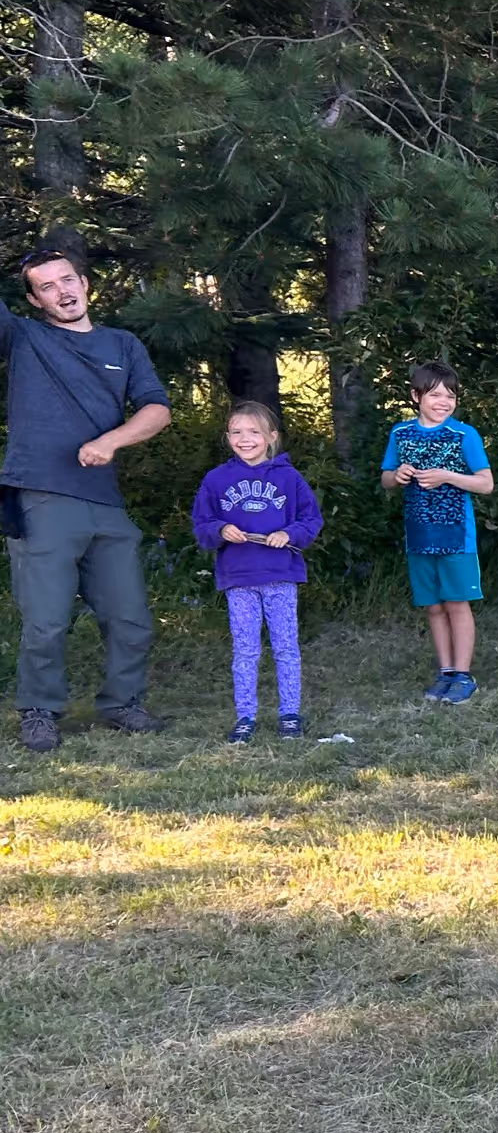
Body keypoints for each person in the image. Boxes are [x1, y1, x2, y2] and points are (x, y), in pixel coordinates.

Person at [1, 236, 172, 750]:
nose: (61, 291)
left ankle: (122, 703)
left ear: (85, 284)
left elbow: (156, 409)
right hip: (42, 495)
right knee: (47, 619)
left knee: (130, 617)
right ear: (35, 301)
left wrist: (111, 440)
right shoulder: (25, 339)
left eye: (67, 280)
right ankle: (39, 710)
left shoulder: (123, 345)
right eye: (46, 287)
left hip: (105, 501)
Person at [189, 401, 323, 741]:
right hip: (239, 579)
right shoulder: (216, 480)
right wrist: (220, 529)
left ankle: (289, 714)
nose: (245, 439)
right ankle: (245, 716)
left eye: (253, 432)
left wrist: (288, 534)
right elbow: (201, 524)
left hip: (280, 575)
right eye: (236, 432)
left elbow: (310, 520)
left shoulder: (288, 478)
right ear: (227, 436)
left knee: (285, 647)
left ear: (271, 437)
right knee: (246, 649)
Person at [380, 361, 493, 704]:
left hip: (456, 536)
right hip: (418, 536)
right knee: (433, 607)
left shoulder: (464, 435)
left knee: (457, 604)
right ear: (416, 396)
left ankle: (463, 675)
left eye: (450, 395)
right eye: (435, 395)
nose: (444, 401)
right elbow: (386, 480)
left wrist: (447, 476)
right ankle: (445, 673)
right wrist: (396, 476)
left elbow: (486, 484)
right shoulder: (400, 434)